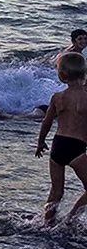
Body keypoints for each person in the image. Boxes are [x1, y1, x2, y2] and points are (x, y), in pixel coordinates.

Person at [35, 51, 87, 226]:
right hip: (76, 148)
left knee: (56, 191)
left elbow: (46, 122)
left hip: (57, 146)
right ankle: (71, 218)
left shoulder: (58, 97)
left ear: (62, 75)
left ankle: (47, 223)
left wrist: (41, 142)